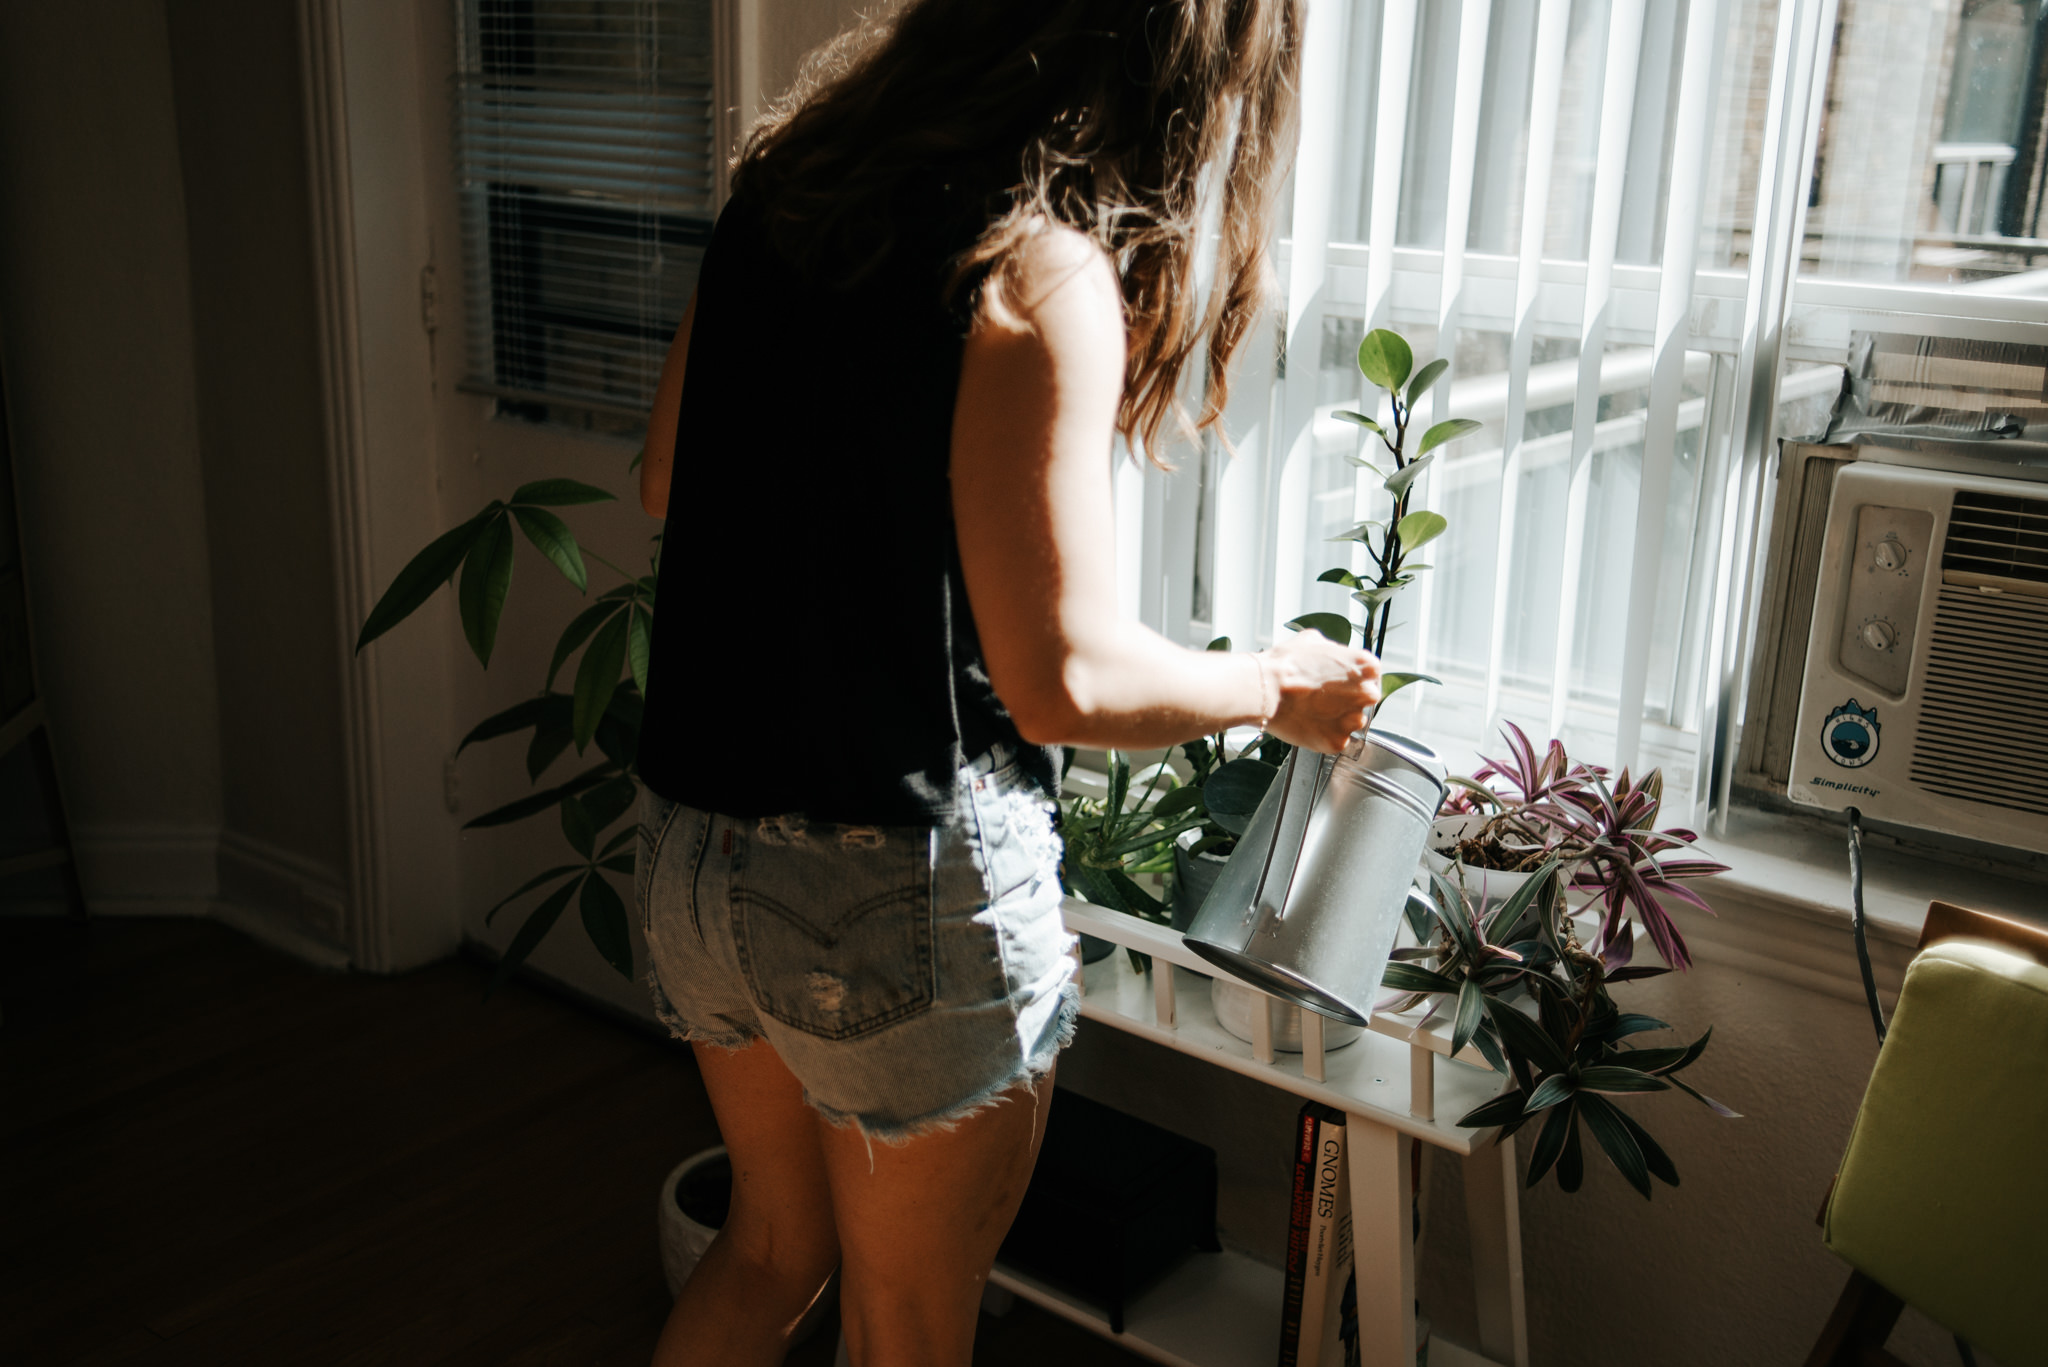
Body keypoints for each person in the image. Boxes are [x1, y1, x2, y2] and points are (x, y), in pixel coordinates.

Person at [631, 3, 1378, 1363]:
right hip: (891, 884)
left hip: (695, 847)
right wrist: (1275, 685)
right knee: (909, 1329)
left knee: (765, 1252)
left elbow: (668, 475)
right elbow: (1068, 683)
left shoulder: (789, 189)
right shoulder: (1035, 270)